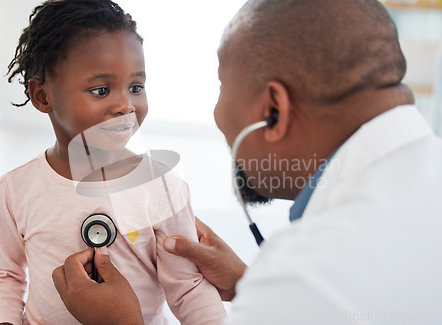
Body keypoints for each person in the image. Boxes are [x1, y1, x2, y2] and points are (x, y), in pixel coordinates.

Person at [52, 0, 442, 324]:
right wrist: (250, 283)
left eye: (223, 87)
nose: (219, 114)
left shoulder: (310, 273)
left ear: (273, 109)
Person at [0, 1, 226, 324]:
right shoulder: (16, 189)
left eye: (136, 87)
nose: (126, 106)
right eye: (101, 90)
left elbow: (189, 287)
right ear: (43, 97)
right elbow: (6, 275)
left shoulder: (163, 188)